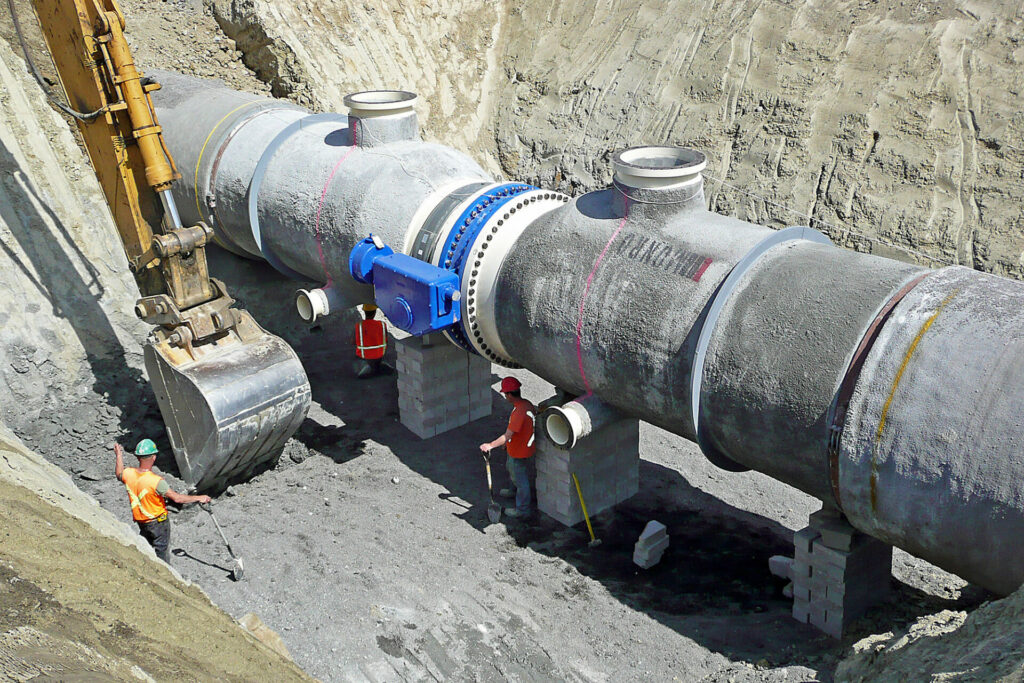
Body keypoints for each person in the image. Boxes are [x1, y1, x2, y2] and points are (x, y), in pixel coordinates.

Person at [114, 439, 210, 564]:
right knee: (161, 552)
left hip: (142, 522)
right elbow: (177, 498)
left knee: (146, 547)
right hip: (158, 523)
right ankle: (166, 574)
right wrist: (199, 497)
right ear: (153, 458)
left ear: (138, 457)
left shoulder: (129, 474)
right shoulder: (156, 481)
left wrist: (119, 455)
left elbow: (119, 473)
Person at [479, 377, 536, 519]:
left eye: (505, 394)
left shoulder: (518, 413)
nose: (505, 397)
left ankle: (522, 510)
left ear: (510, 394)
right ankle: (512, 490)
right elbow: (517, 432)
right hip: (517, 448)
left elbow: (507, 435)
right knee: (511, 468)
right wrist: (507, 443)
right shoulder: (525, 404)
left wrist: (490, 445)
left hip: (519, 451)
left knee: (520, 480)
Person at [353, 303, 388, 378]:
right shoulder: (382, 324)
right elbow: (386, 339)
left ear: (364, 312)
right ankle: (377, 367)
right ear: (375, 312)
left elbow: (354, 341)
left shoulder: (359, 326)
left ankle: (367, 368)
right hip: (380, 354)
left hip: (363, 355)